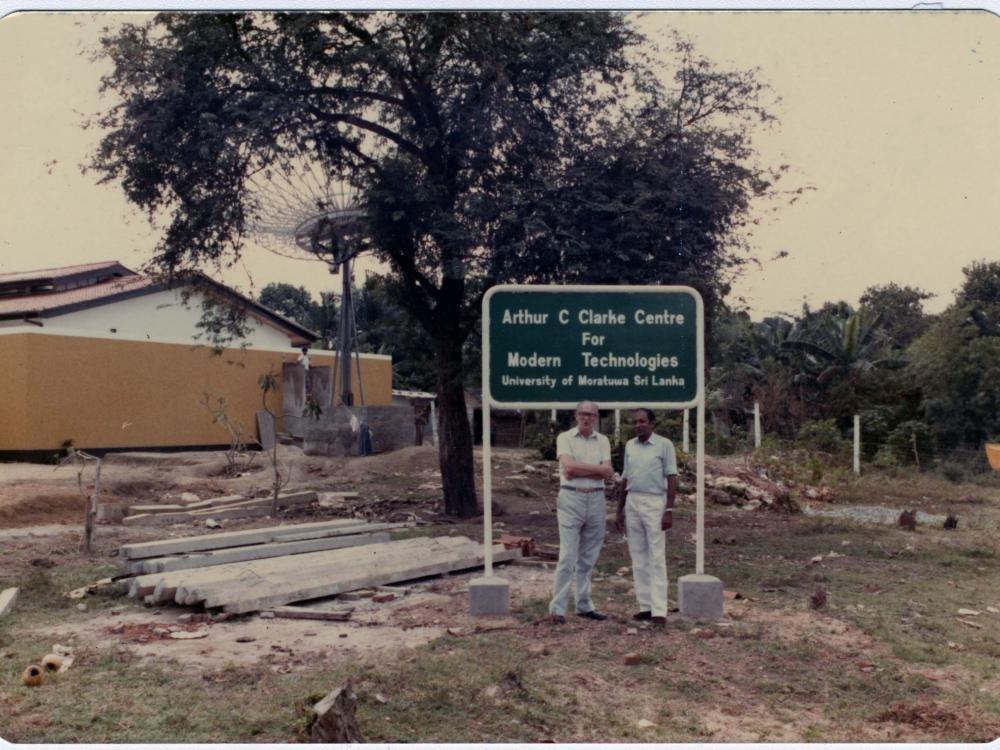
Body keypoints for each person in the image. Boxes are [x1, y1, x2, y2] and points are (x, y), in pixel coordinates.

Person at [549, 401, 613, 624]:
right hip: (571, 496)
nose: (587, 418)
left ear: (596, 418)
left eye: (591, 415)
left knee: (588, 556)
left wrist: (582, 469)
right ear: (576, 416)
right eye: (583, 414)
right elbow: (568, 468)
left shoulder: (603, 441)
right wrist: (597, 470)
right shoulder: (565, 438)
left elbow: (607, 473)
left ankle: (584, 605)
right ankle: (557, 608)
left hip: (596, 497)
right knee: (567, 555)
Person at [615, 408, 678, 627]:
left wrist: (668, 510)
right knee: (638, 555)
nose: (638, 425)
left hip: (654, 502)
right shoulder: (630, 446)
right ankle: (645, 606)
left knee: (656, 556)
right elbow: (625, 478)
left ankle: (659, 610)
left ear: (652, 424)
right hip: (633, 501)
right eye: (635, 422)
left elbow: (671, 477)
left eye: (642, 421)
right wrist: (619, 510)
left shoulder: (664, 445)